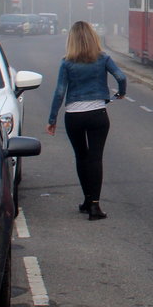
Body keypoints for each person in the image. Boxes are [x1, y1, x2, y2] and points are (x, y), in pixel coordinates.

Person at [46, 21, 126, 220]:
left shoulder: (67, 62)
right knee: (95, 158)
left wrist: (52, 118)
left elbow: (59, 92)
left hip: (74, 115)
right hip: (98, 113)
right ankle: (95, 206)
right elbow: (121, 77)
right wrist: (120, 94)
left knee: (81, 157)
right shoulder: (103, 58)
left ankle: (86, 200)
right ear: (93, 38)